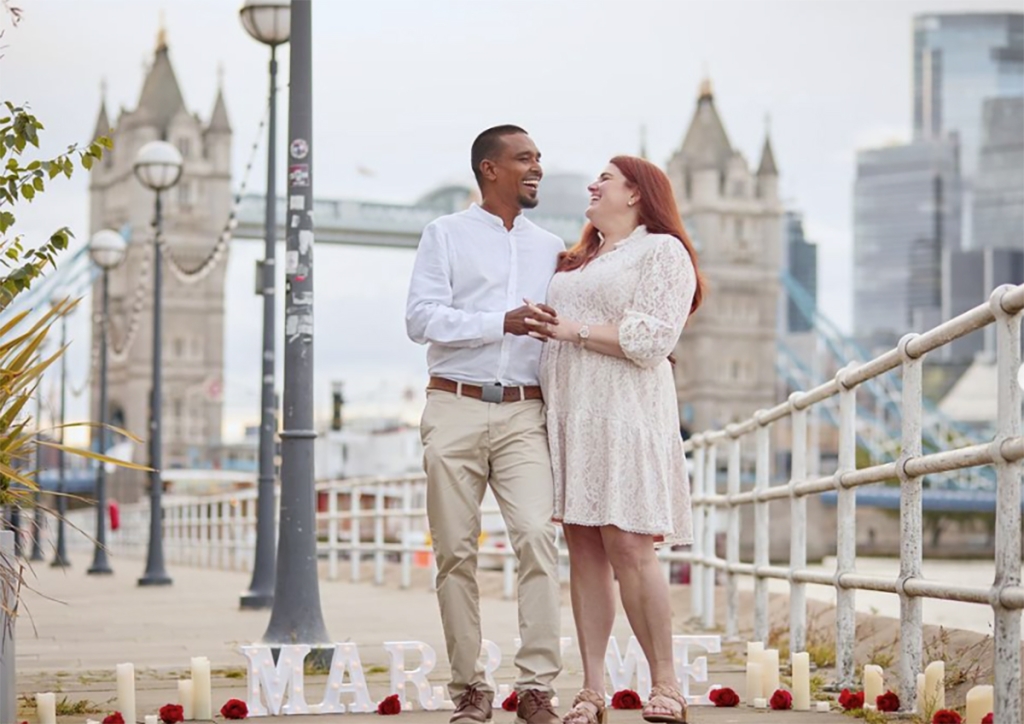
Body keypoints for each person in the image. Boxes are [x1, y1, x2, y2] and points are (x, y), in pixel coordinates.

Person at [526, 156, 705, 724]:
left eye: (605, 178)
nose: (592, 184)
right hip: (572, 415)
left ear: (635, 193)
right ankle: (592, 689)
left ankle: (668, 685)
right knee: (582, 550)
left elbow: (652, 338)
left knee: (629, 546)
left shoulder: (662, 251)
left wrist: (571, 330)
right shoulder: (578, 258)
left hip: (626, 413)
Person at [405, 125, 565, 724]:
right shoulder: (442, 234)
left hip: (527, 412)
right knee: (454, 552)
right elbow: (420, 319)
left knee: (536, 539)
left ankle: (536, 690)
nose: (537, 168)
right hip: (454, 405)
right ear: (488, 168)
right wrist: (503, 321)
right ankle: (470, 688)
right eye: (524, 158)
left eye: (540, 159)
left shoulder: (553, 247)